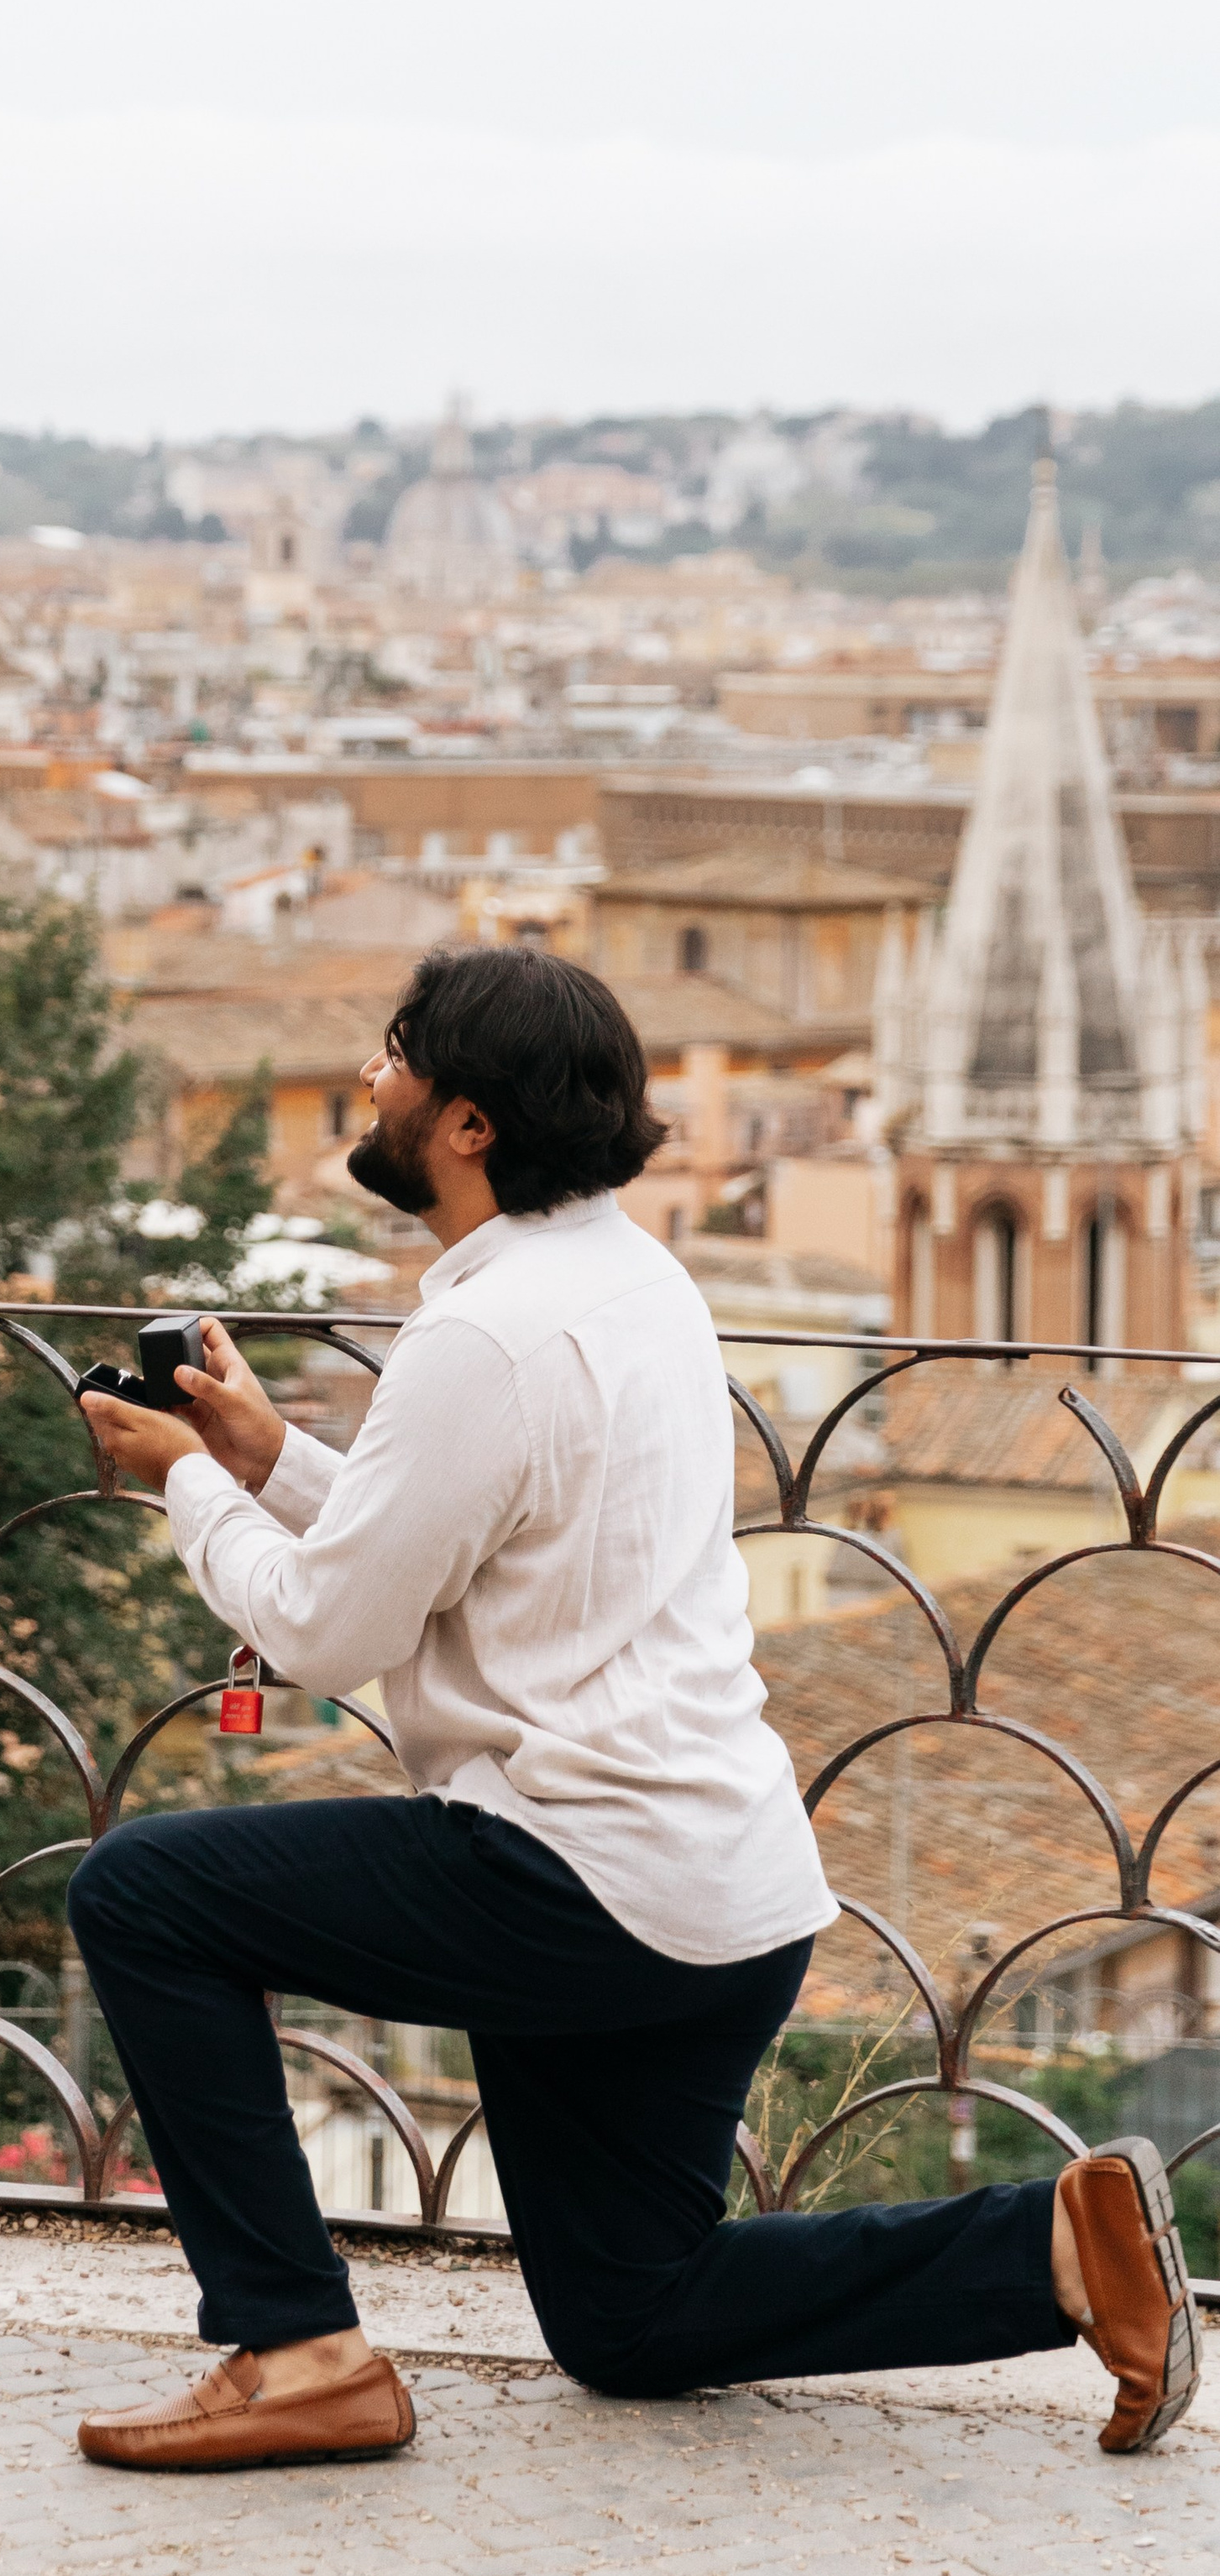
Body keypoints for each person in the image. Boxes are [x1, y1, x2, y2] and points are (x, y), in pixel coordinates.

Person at [71, 943, 1199, 2469]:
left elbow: (333, 1630)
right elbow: (456, 1547)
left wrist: (188, 1485)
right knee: (631, 2318)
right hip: (726, 1892)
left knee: (145, 1894)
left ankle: (298, 2349)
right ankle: (1057, 2251)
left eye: (394, 1054)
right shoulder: (632, 1279)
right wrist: (268, 1458)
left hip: (573, 1882)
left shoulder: (479, 1333)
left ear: (467, 1122)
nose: (367, 1079)